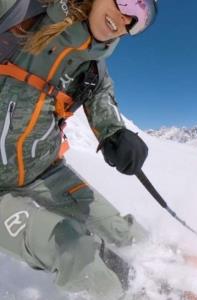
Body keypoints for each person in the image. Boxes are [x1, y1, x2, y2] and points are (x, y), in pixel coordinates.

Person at [0, 0, 158, 298]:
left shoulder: (93, 68)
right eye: (125, 1)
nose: (125, 16)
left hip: (42, 169)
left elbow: (103, 103)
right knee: (71, 246)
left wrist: (115, 135)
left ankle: (169, 266)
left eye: (137, 19)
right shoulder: (22, 13)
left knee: (123, 232)